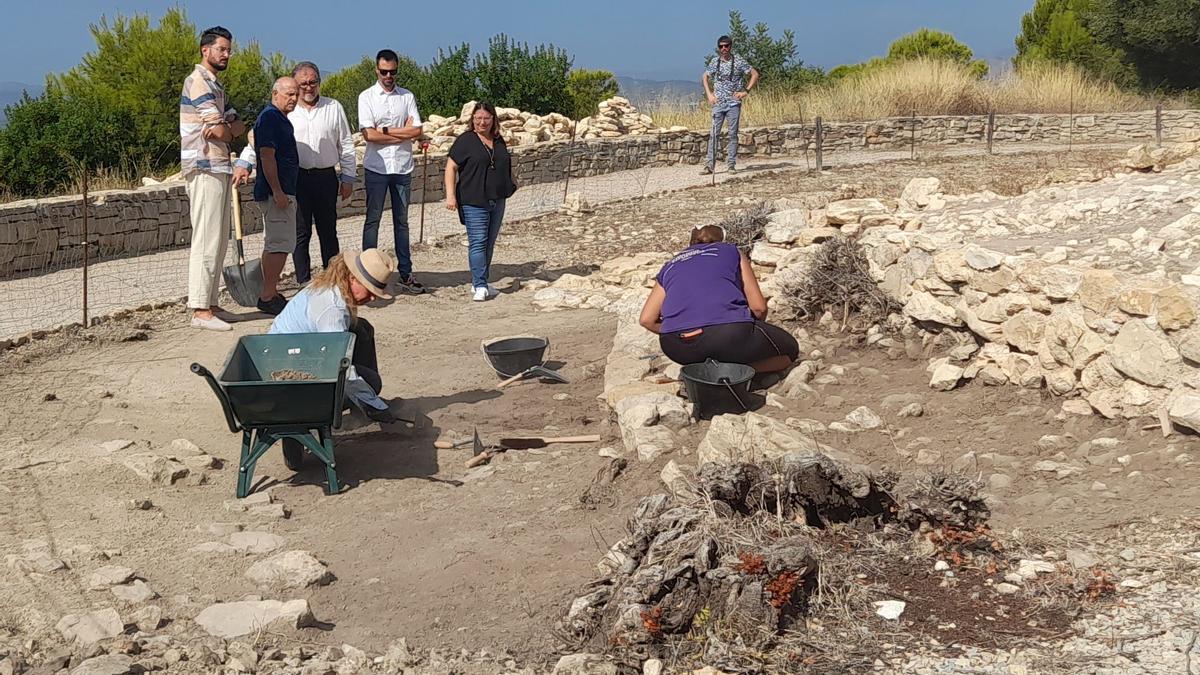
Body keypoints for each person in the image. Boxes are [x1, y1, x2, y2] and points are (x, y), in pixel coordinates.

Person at [233, 62, 356, 285]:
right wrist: (244, 163)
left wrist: (348, 176)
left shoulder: (333, 107)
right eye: (302, 84)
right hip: (297, 179)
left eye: (313, 82)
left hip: (325, 177)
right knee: (300, 234)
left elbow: (346, 143)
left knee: (329, 231)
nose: (308, 88)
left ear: (319, 82)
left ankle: (333, 281)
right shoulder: (285, 110)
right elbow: (261, 142)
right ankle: (304, 282)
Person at [639, 224, 799, 373]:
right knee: (789, 351)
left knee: (713, 349)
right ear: (722, 239)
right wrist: (749, 329)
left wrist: (679, 329)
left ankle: (706, 373)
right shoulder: (731, 251)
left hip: (676, 346)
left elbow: (646, 319)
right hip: (727, 335)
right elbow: (759, 307)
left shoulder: (671, 264)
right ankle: (737, 373)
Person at [269, 249, 398, 422]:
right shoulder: (332, 309)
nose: (373, 298)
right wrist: (374, 404)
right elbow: (338, 363)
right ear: (353, 278)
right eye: (369, 290)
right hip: (289, 372)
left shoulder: (332, 285)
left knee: (361, 328)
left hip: (284, 352)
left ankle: (362, 401)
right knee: (371, 381)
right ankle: (357, 403)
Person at [180, 25, 246, 331]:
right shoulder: (197, 82)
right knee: (206, 238)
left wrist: (226, 129)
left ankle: (211, 303)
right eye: (221, 49)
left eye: (228, 49)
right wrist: (225, 129)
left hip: (219, 165)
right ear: (205, 50)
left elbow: (235, 126)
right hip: (204, 166)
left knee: (218, 241)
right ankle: (199, 309)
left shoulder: (216, 86)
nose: (226, 54)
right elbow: (221, 129)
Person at [358, 49, 426, 294]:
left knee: (402, 222)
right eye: (384, 71)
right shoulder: (366, 97)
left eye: (393, 72)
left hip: (402, 167)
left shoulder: (407, 96)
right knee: (372, 220)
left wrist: (384, 131)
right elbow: (369, 135)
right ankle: (366, 274)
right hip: (377, 168)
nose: (389, 76)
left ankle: (406, 273)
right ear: (377, 70)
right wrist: (400, 133)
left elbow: (416, 131)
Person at [444, 102, 518, 302]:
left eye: (486, 118)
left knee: (489, 243)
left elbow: (504, 162)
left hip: (498, 198)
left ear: (493, 119)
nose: (482, 122)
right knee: (477, 242)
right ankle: (479, 285)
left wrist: (512, 181)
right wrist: (450, 195)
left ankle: (482, 280)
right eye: (478, 118)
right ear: (472, 120)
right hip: (473, 200)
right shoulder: (465, 141)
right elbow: (451, 167)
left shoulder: (498, 140)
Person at [250, 77, 301, 315]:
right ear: (275, 94)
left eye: (295, 94)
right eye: (289, 94)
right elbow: (267, 156)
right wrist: (278, 191)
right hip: (276, 193)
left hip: (282, 190)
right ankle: (267, 295)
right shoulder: (270, 118)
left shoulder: (278, 118)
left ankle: (269, 289)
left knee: (277, 243)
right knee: (279, 244)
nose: (294, 98)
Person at [700, 35, 759, 176]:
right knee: (714, 134)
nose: (724, 49)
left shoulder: (738, 61)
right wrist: (709, 94)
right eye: (721, 46)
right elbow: (705, 76)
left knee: (732, 134)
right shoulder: (715, 62)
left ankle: (731, 165)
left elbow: (754, 74)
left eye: (726, 46)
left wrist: (745, 91)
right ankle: (709, 165)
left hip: (733, 103)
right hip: (718, 103)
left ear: (731, 46)